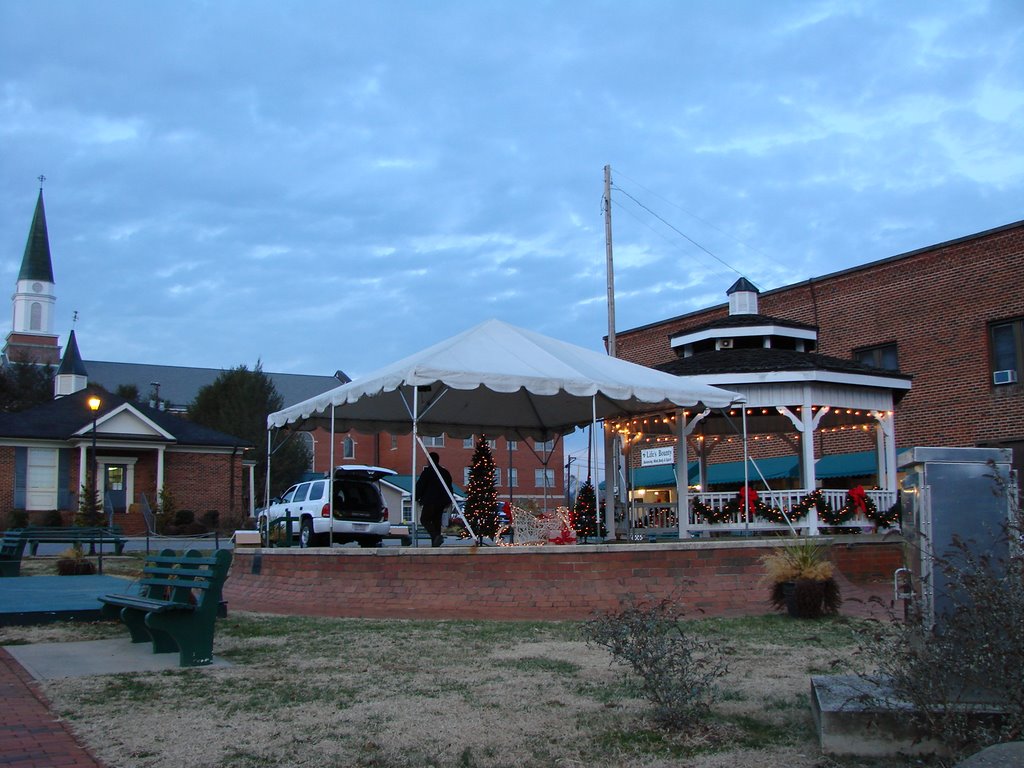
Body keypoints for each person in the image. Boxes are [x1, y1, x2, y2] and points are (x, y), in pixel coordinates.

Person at [415, 451, 453, 547]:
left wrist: (416, 497)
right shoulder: (445, 472)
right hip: (442, 502)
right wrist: (449, 500)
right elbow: (449, 487)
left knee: (425, 519)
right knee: (436, 521)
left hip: (430, 501)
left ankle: (436, 536)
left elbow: (420, 486)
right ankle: (435, 543)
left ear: (429, 460)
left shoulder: (427, 472)